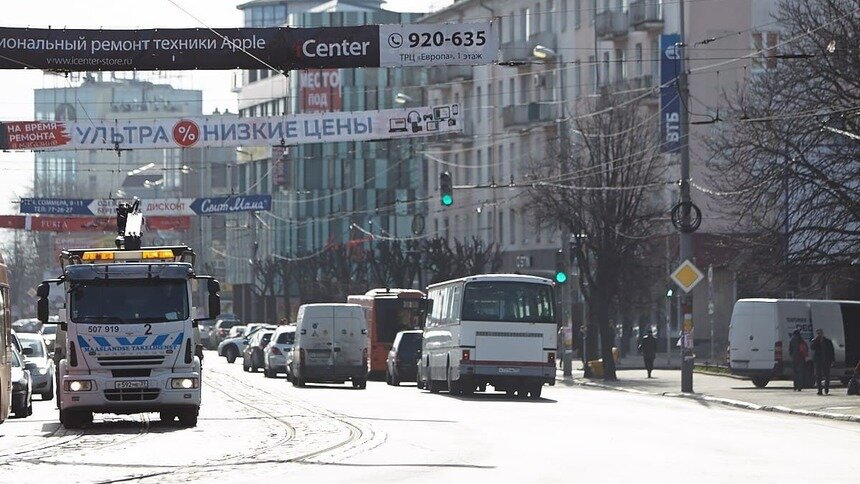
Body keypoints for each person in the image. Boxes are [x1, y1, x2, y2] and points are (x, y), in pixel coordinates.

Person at [810, 328, 835, 395]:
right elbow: (812, 347)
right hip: (818, 361)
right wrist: (816, 340)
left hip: (826, 361)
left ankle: (826, 389)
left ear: (822, 333)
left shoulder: (828, 341)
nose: (819, 334)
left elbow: (832, 351)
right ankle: (819, 390)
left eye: (820, 333)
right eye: (818, 333)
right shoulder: (815, 341)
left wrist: (832, 360)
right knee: (818, 376)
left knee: (827, 376)